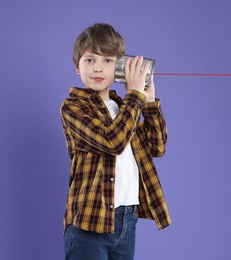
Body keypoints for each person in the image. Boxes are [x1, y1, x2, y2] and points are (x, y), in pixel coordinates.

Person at [60, 23, 171, 260]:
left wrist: (149, 102)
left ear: (119, 67)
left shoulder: (122, 108)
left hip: (126, 221)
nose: (98, 68)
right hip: (90, 225)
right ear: (77, 68)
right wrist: (135, 97)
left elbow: (157, 147)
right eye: (90, 60)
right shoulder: (73, 108)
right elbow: (112, 142)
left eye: (108, 61)